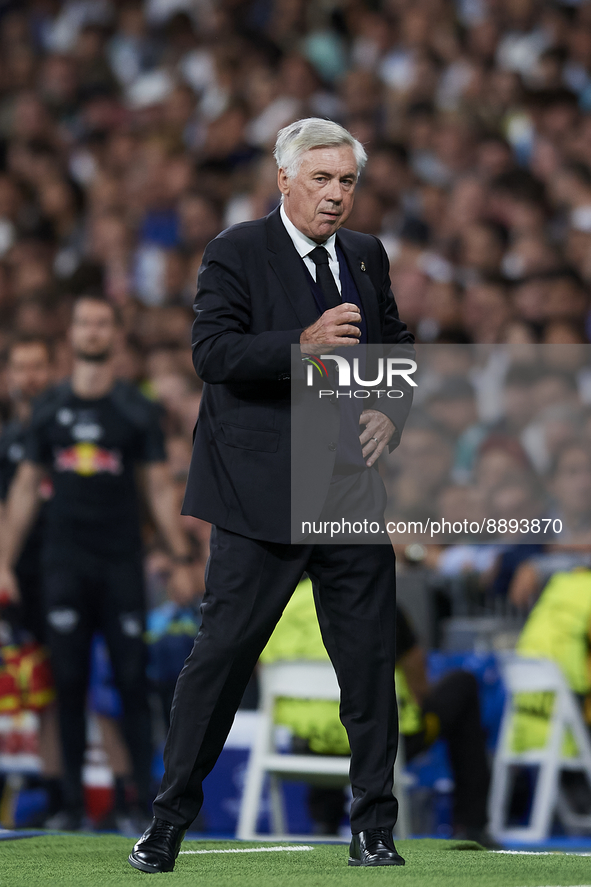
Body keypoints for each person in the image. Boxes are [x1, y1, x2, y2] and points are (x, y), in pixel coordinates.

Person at [129, 117, 414, 873]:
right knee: (221, 657)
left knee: (366, 663)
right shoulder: (234, 251)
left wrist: (390, 407)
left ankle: (372, 828)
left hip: (348, 492)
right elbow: (210, 353)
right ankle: (166, 822)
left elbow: (396, 348)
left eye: (346, 181)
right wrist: (303, 345)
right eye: (321, 179)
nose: (336, 195)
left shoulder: (364, 254)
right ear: (282, 180)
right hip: (259, 497)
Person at [0, 295, 196, 831]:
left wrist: (179, 555)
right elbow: (23, 491)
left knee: (132, 680)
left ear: (114, 332)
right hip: (63, 563)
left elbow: (157, 487)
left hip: (119, 563)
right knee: (67, 680)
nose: (91, 332)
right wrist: (4, 562)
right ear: (72, 334)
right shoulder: (48, 409)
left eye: (101, 323)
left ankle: (139, 801)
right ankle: (68, 803)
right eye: (83, 322)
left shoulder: (135, 409)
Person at [261, 581, 493, 844]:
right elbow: (416, 675)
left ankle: (324, 821)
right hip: (381, 747)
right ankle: (471, 825)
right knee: (462, 685)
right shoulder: (374, 600)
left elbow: (261, 665)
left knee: (329, 722)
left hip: (306, 742)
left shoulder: (282, 605)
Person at [0, 335, 62, 821]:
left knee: (58, 682)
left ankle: (57, 788)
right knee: (18, 677)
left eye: (37, 367)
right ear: (8, 378)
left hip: (60, 571)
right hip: (14, 574)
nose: (29, 378)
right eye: (20, 368)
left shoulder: (65, 432)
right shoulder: (5, 442)